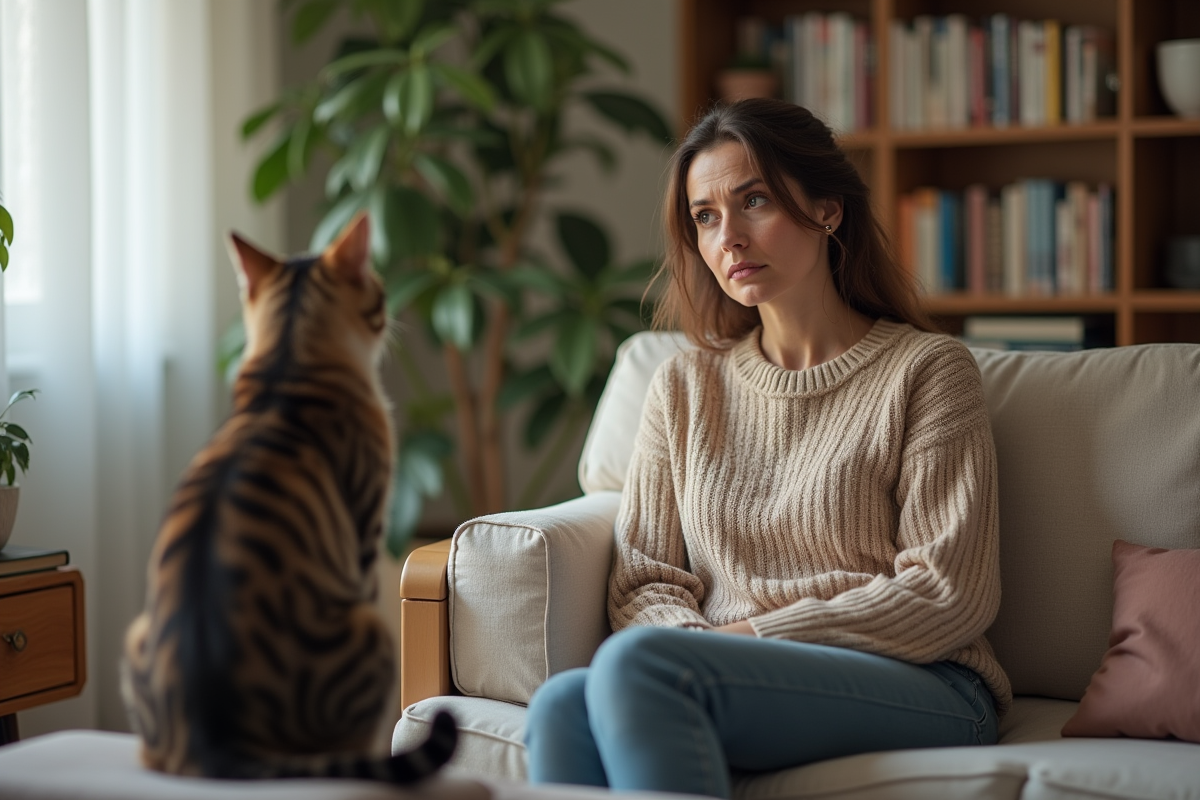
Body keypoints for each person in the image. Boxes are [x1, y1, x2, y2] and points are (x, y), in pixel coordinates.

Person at [523, 99, 1011, 799]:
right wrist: (697, 645)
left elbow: (948, 592)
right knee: (560, 706)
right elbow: (645, 582)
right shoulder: (684, 386)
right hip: (719, 670)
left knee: (641, 669)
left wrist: (748, 639)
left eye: (753, 201)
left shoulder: (927, 371)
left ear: (828, 210)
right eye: (706, 217)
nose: (730, 238)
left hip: (927, 680)